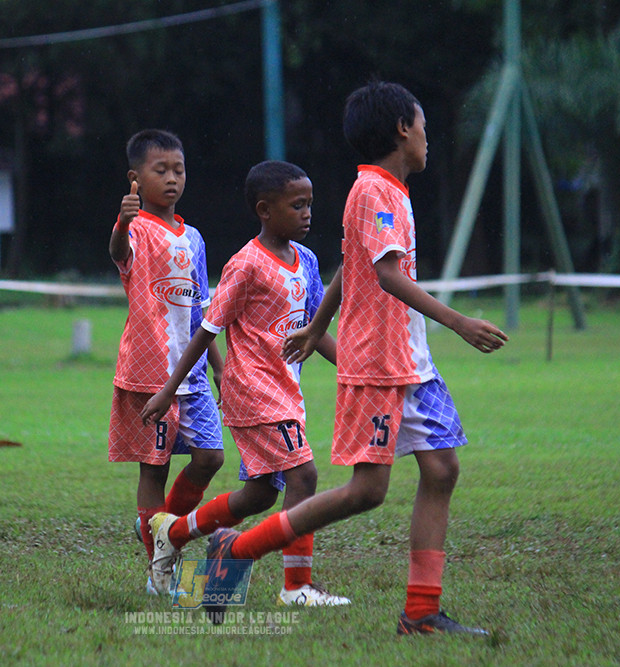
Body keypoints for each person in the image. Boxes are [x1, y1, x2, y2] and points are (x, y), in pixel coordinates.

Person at [200, 81, 508, 633]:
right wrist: (459, 321)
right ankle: (239, 550)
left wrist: (315, 325)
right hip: (380, 363)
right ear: (401, 130)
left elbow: (349, 266)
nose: (426, 139)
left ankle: (421, 613)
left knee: (442, 468)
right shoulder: (373, 193)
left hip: (411, 359)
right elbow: (386, 274)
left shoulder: (388, 190)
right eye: (423, 127)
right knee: (367, 492)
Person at [142, 161, 350, 607]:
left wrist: (353, 371)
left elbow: (315, 332)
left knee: (259, 494)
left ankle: (172, 531)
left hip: (285, 390)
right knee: (305, 476)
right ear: (265, 210)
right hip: (254, 389)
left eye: (310, 204)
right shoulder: (246, 264)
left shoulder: (308, 261)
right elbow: (206, 329)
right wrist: (167, 390)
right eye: (297, 205)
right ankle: (296, 588)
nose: (308, 213)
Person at [108, 129, 225, 595]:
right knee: (152, 469)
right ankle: (160, 573)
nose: (173, 178)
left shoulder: (193, 237)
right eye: (162, 170)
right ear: (136, 177)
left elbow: (202, 311)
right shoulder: (134, 228)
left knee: (211, 457)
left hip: (192, 372)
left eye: (179, 170)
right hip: (148, 372)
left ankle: (161, 533)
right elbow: (118, 254)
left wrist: (218, 364)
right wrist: (120, 222)